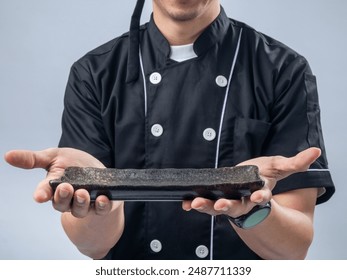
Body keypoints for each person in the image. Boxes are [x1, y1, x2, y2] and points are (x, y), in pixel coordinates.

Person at [5, 0, 335, 260]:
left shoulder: (283, 70)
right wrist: (103, 193)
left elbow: (294, 249)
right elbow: (93, 247)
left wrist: (253, 210)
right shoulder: (94, 73)